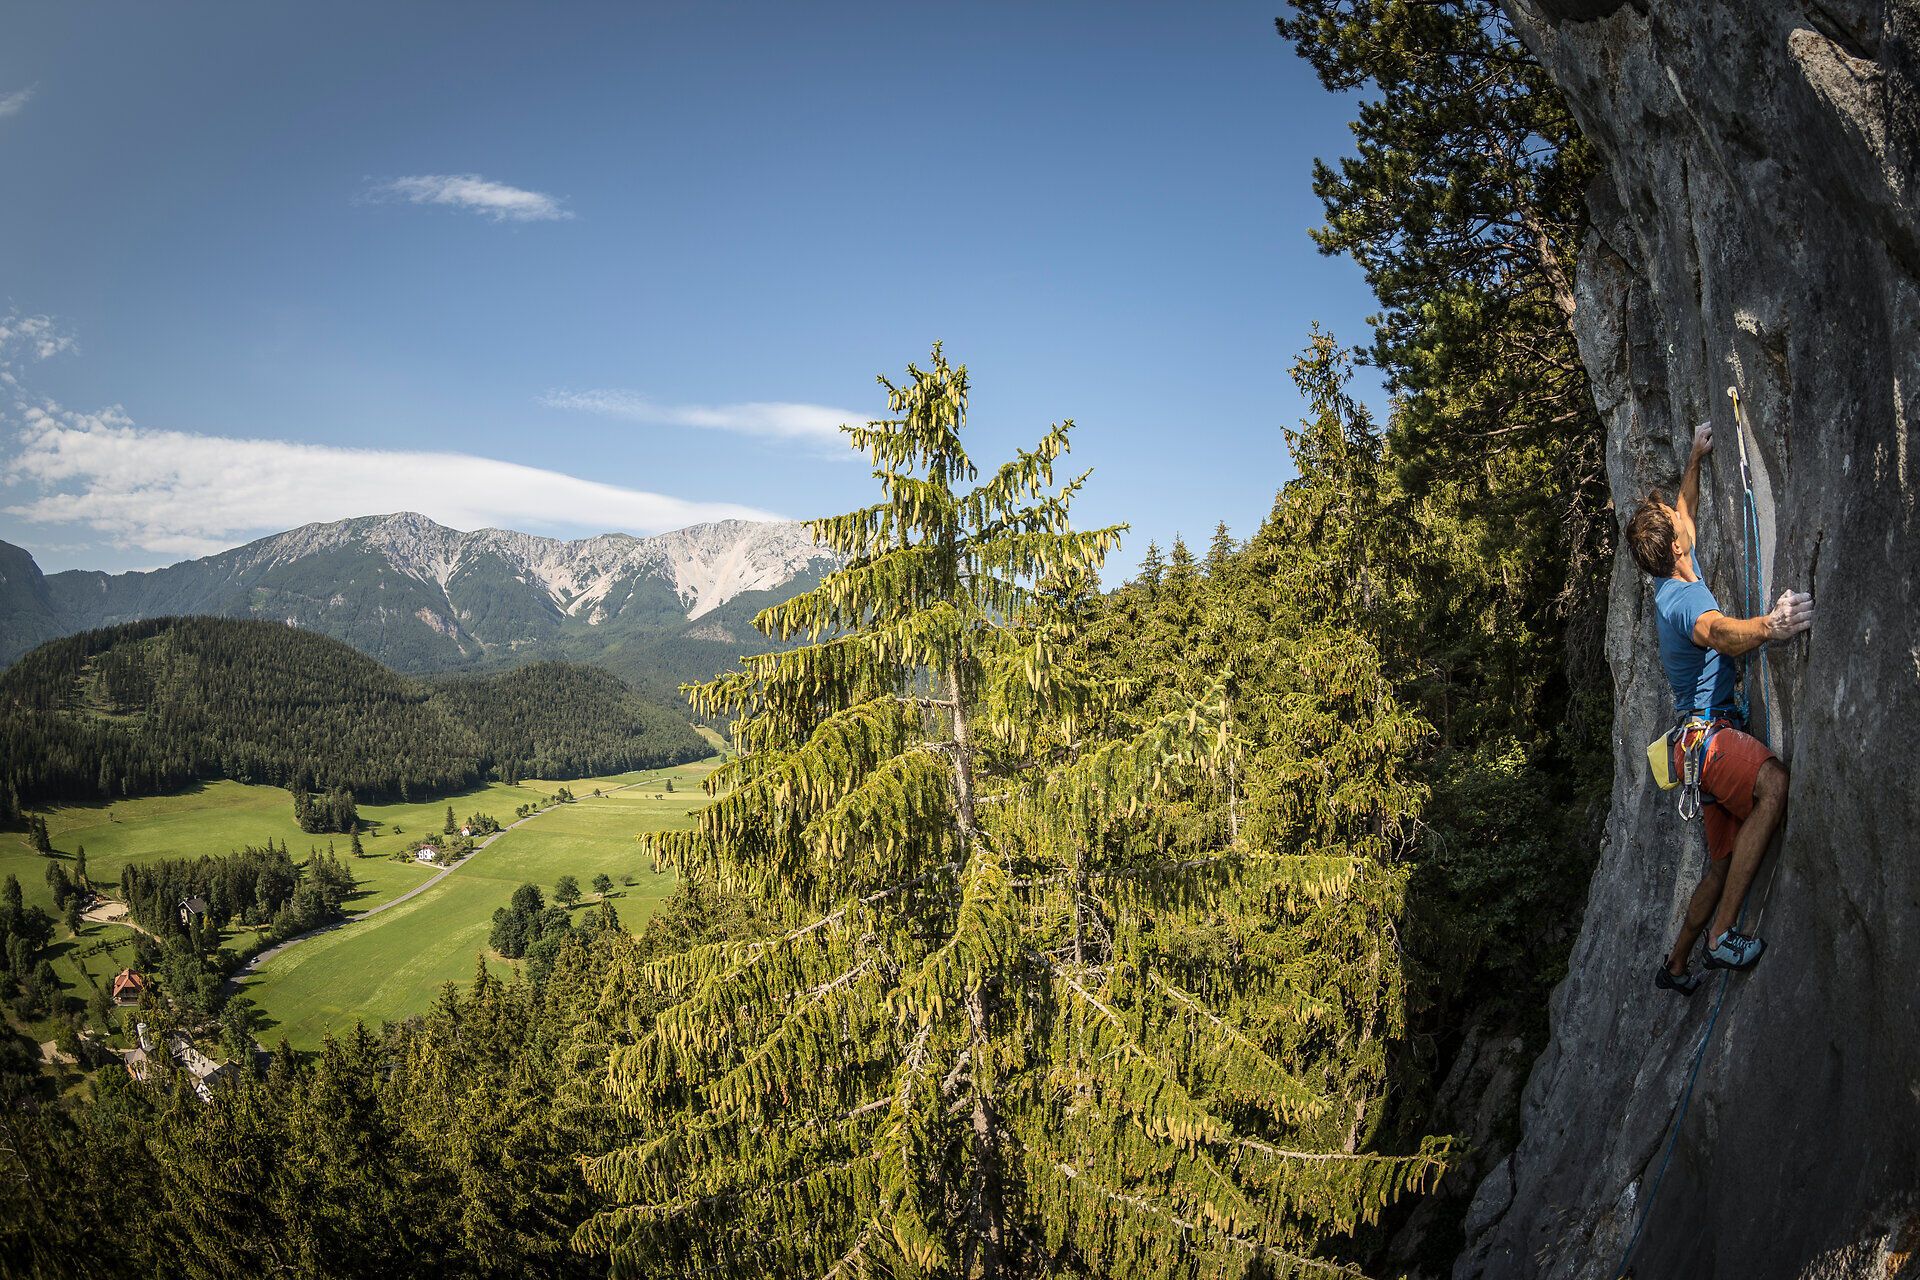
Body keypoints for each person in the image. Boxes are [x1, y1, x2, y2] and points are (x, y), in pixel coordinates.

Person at [1622, 421, 1813, 995]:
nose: (1684, 519)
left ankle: (1675, 966)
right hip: (1711, 742)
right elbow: (1723, 634)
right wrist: (1772, 627)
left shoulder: (1677, 571)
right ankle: (1720, 937)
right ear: (1677, 547)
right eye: (1680, 527)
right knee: (1774, 786)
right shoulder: (1683, 603)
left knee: (1721, 865)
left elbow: (1684, 508)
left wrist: (1696, 457)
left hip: (1695, 747)